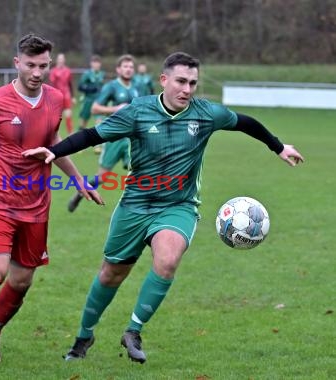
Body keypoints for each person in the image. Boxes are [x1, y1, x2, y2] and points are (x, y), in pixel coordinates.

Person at [23, 52, 304, 364]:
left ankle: (133, 330)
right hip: (134, 205)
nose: (187, 89)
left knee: (167, 260)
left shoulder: (206, 113)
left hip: (178, 206)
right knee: (111, 274)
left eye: (193, 83)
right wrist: (53, 151)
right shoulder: (139, 112)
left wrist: (278, 147)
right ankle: (84, 336)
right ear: (164, 80)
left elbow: (245, 122)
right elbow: (92, 135)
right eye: (181, 81)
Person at [0, 33, 102, 366]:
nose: (37, 72)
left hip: (36, 205)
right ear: (17, 62)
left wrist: (78, 179)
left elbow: (53, 143)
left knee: (21, 280)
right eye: (30, 65)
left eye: (43, 66)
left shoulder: (54, 98)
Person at [67, 54, 140, 212]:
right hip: (114, 139)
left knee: (138, 170)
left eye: (131, 67)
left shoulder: (136, 88)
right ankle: (80, 194)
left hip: (131, 139)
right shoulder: (111, 87)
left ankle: (139, 209)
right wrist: (115, 109)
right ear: (118, 69)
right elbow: (95, 108)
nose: (128, 70)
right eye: (125, 67)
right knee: (102, 177)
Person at [49, 53, 76, 135]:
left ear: (64, 60)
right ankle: (56, 135)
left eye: (62, 59)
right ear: (57, 60)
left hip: (67, 96)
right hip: (57, 97)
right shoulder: (53, 71)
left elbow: (70, 84)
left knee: (68, 116)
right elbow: (51, 85)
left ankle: (70, 134)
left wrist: (73, 96)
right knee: (57, 117)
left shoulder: (68, 70)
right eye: (59, 59)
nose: (61, 60)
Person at [77, 55, 105, 130]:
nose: (96, 64)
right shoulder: (87, 74)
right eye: (94, 63)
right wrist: (90, 89)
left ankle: (99, 140)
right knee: (83, 123)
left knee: (100, 122)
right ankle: (79, 139)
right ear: (91, 64)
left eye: (98, 63)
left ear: (100, 64)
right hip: (88, 101)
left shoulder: (102, 74)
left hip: (98, 102)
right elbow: (80, 87)